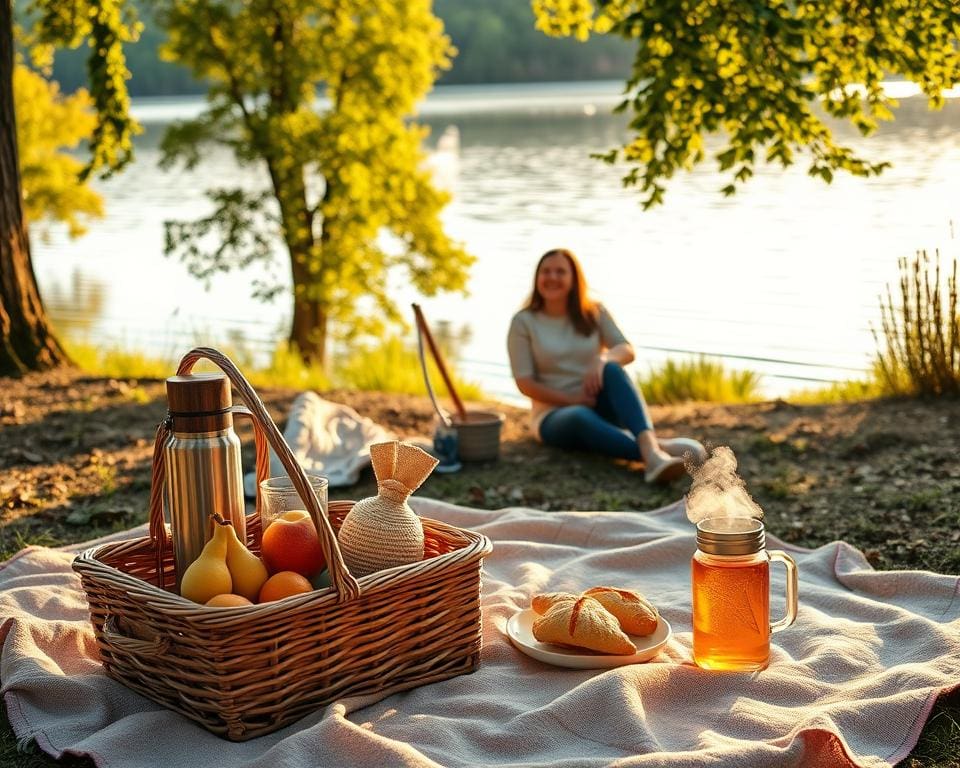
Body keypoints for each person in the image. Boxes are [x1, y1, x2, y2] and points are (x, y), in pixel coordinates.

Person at [507, 248, 702, 483]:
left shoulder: (594, 312)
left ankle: (651, 450)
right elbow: (524, 383)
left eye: (561, 272)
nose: (552, 278)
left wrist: (602, 359)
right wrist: (572, 400)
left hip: (600, 406)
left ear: (573, 279)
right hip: (553, 416)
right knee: (578, 415)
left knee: (612, 369)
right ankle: (654, 452)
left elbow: (626, 349)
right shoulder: (523, 322)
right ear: (537, 277)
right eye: (546, 271)